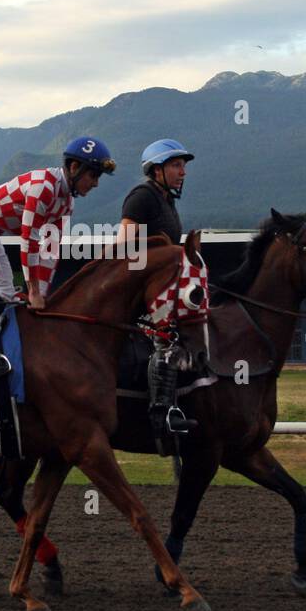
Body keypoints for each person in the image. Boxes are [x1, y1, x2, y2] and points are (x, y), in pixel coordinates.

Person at [0, 136, 115, 380]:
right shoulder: (44, 186)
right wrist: (34, 290)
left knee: (9, 293)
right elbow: (29, 240)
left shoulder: (66, 203)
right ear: (75, 168)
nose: (96, 183)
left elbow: (49, 251)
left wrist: (42, 296)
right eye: (93, 175)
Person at [119, 139, 197, 446]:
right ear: (156, 170)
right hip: (140, 291)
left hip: (161, 288)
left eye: (184, 166)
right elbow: (127, 249)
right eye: (177, 165)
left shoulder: (167, 201)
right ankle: (161, 414)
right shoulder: (142, 197)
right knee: (167, 340)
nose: (183, 172)